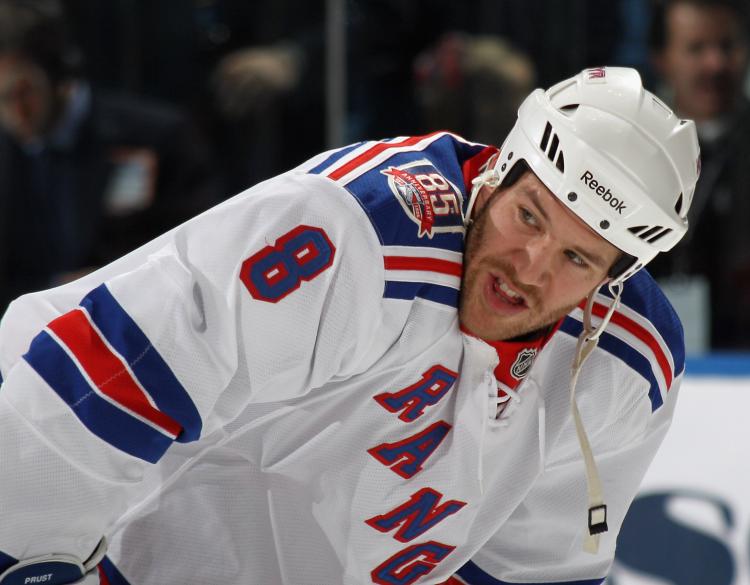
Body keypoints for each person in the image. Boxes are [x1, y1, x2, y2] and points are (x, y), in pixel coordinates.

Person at [0, 66, 699, 585]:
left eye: (577, 257)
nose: (530, 267)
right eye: (529, 217)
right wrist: (28, 552)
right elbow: (117, 364)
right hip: (99, 530)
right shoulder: (361, 230)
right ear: (498, 171)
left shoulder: (630, 365)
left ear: (613, 279)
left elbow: (530, 569)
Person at [0, 0, 220, 312]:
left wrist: (117, 283)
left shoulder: (157, 136)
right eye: (0, 100)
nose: (15, 114)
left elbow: (202, 247)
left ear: (59, 75)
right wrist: (51, 289)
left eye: (25, 92)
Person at [647, 0, 750, 349]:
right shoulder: (636, 149)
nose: (715, 64)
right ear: (662, 59)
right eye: (696, 48)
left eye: (727, 46)